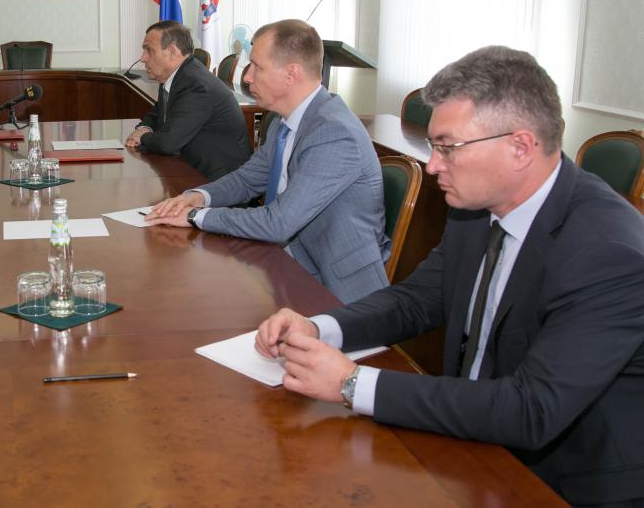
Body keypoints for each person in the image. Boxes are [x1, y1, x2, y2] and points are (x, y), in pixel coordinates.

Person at [254, 46, 644, 506]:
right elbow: (417, 300)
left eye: (448, 147)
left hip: (562, 480)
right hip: (470, 436)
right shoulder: (476, 206)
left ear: (520, 147)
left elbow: (532, 409)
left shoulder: (608, 253)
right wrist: (319, 327)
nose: (433, 164)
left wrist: (352, 383)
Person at [147, 19, 389, 303]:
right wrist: (197, 197)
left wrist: (195, 217)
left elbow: (279, 222)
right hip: (286, 263)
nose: (247, 77)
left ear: (292, 74)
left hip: (334, 290)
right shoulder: (284, 121)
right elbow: (246, 180)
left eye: (256, 67)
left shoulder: (334, 133)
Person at [124, 20, 250, 180]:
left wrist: (142, 137)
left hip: (219, 181)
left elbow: (168, 143)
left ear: (172, 51)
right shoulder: (177, 77)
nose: (143, 58)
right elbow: (157, 113)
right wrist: (144, 128)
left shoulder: (195, 85)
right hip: (190, 169)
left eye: (149, 50)